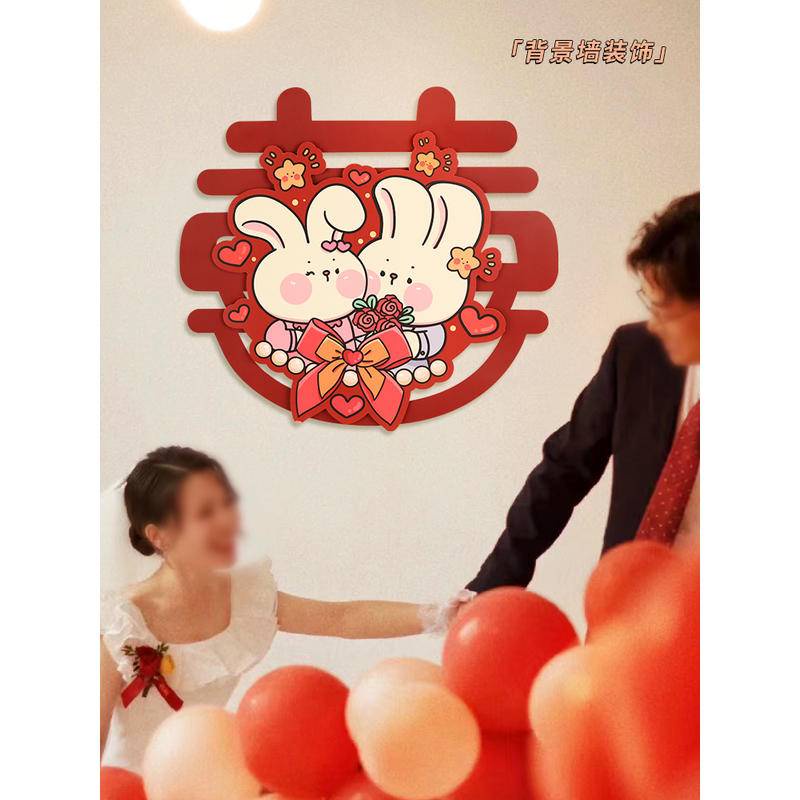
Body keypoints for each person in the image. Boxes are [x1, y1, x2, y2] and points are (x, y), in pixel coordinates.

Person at [100, 446, 469, 771]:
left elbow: (341, 619)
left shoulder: (245, 594)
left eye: (227, 504)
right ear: (159, 536)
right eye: (205, 512)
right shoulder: (121, 625)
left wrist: (439, 615)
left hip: (211, 780)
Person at [467, 191, 700, 592]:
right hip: (630, 604)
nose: (654, 324)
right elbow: (563, 471)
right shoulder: (636, 353)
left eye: (664, 307)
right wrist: (492, 587)